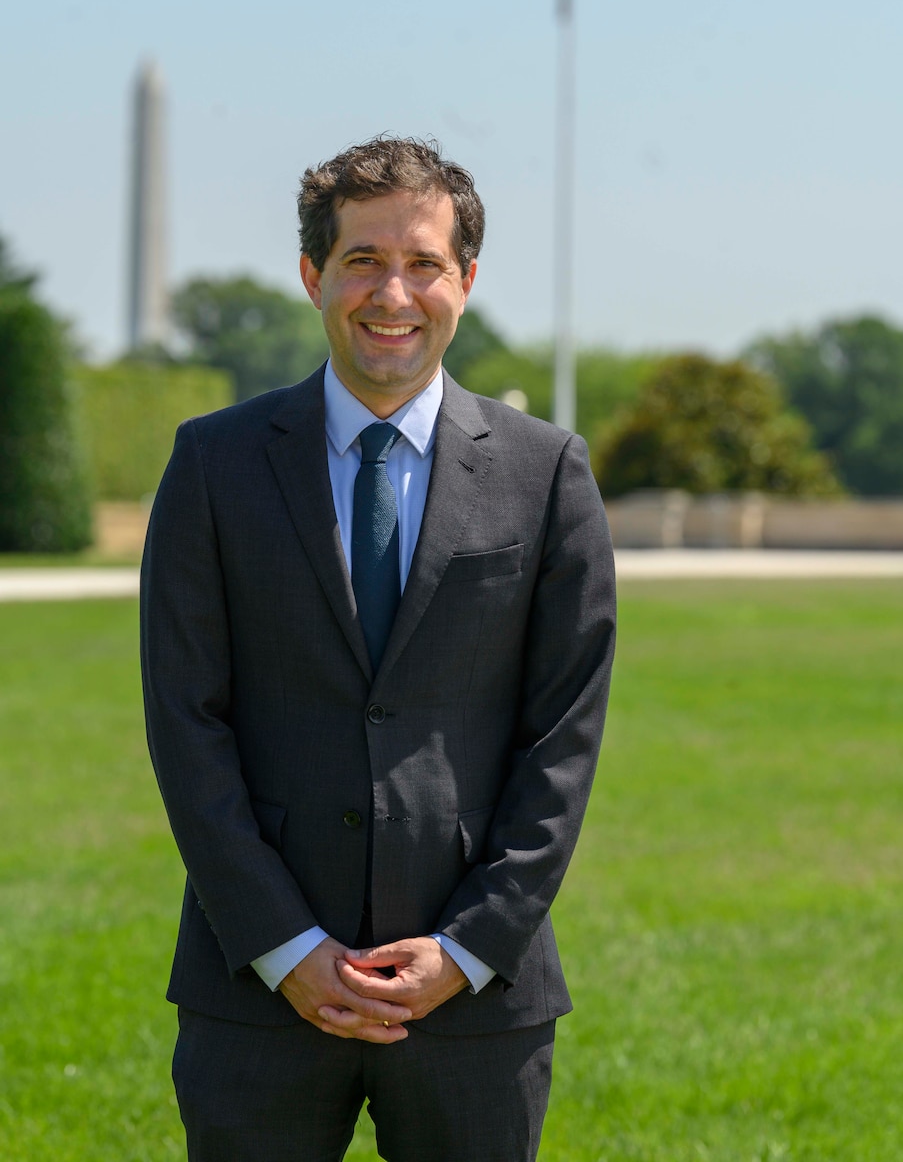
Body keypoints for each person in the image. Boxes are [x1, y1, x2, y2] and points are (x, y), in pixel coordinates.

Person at [140, 135, 616, 1162]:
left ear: (466, 281)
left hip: (477, 995)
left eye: (422, 263)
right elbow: (186, 723)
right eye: (361, 259)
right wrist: (285, 945)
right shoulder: (212, 464)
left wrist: (469, 946)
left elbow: (562, 741)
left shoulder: (548, 474)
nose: (391, 292)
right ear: (313, 275)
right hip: (257, 992)